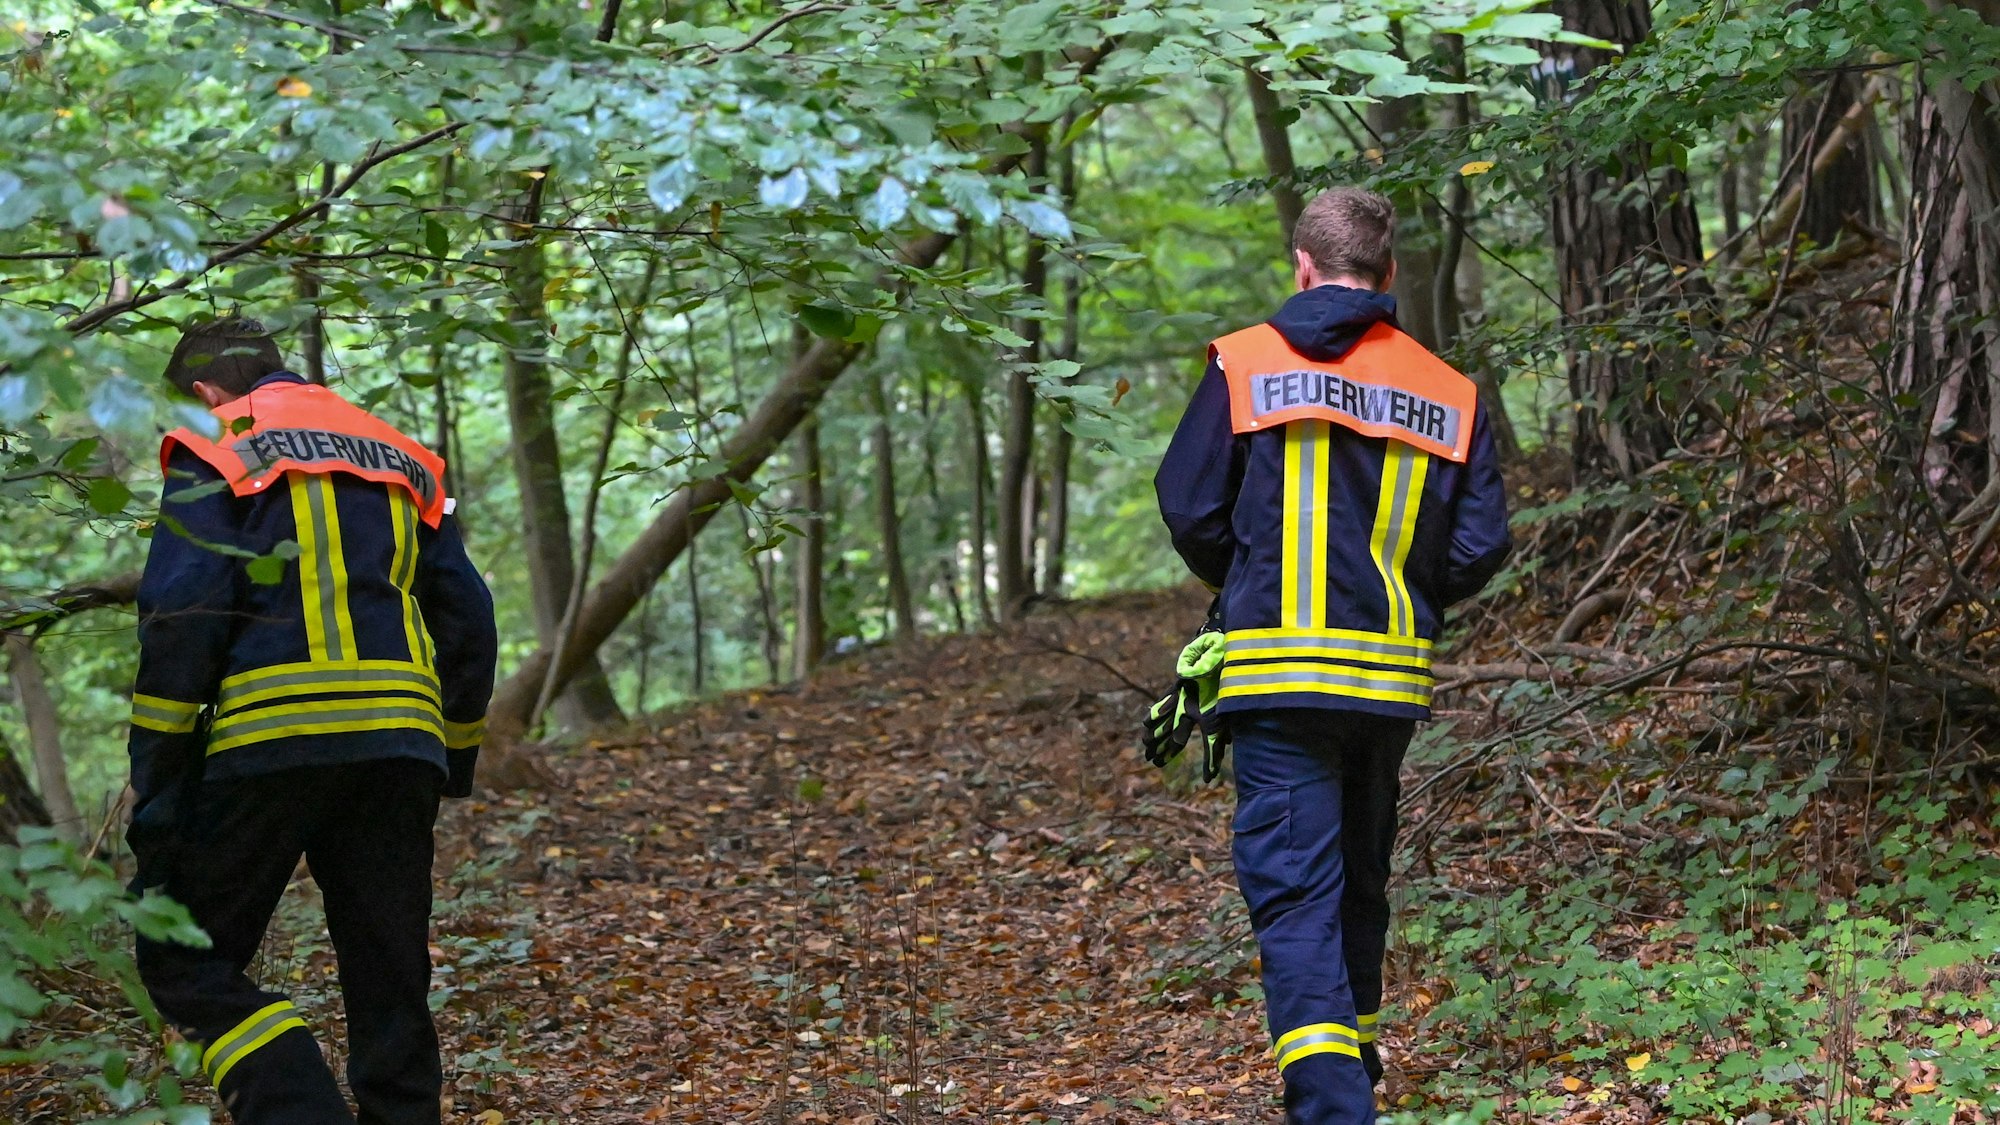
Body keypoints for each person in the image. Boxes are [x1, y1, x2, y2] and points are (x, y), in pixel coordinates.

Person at [1152, 189, 1512, 1123]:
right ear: (1388, 276)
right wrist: (1402, 589)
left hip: (1276, 677)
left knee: (1295, 899)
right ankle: (1348, 1079)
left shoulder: (1247, 364)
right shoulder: (1447, 388)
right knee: (1357, 884)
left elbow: (1189, 505)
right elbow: (1480, 544)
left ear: (1303, 266)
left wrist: (1250, 581)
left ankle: (1335, 1108)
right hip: (1385, 682)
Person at [126, 316, 499, 1125]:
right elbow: (469, 618)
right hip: (401, 748)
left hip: (268, 742)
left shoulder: (217, 444)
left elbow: (180, 618)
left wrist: (158, 790)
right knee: (390, 970)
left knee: (184, 960)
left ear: (203, 394)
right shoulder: (401, 453)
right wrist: (453, 756)